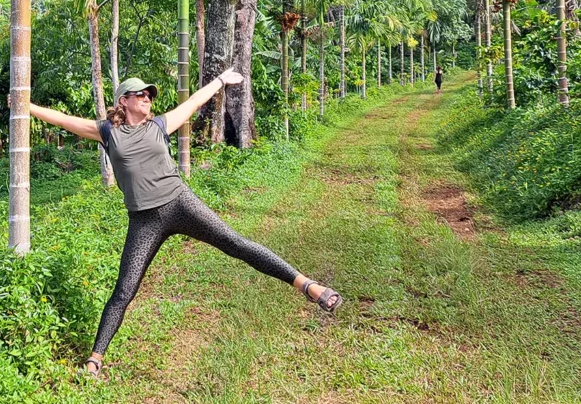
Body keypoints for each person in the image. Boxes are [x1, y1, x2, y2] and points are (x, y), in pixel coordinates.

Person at [26, 68, 343, 378]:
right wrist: (26, 106)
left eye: (150, 95)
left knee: (236, 244)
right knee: (124, 290)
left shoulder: (159, 125)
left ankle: (309, 286)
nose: (149, 98)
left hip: (180, 203)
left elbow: (193, 103)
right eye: (142, 94)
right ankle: (96, 358)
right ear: (123, 101)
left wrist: (220, 81)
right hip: (144, 220)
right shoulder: (108, 132)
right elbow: (63, 120)